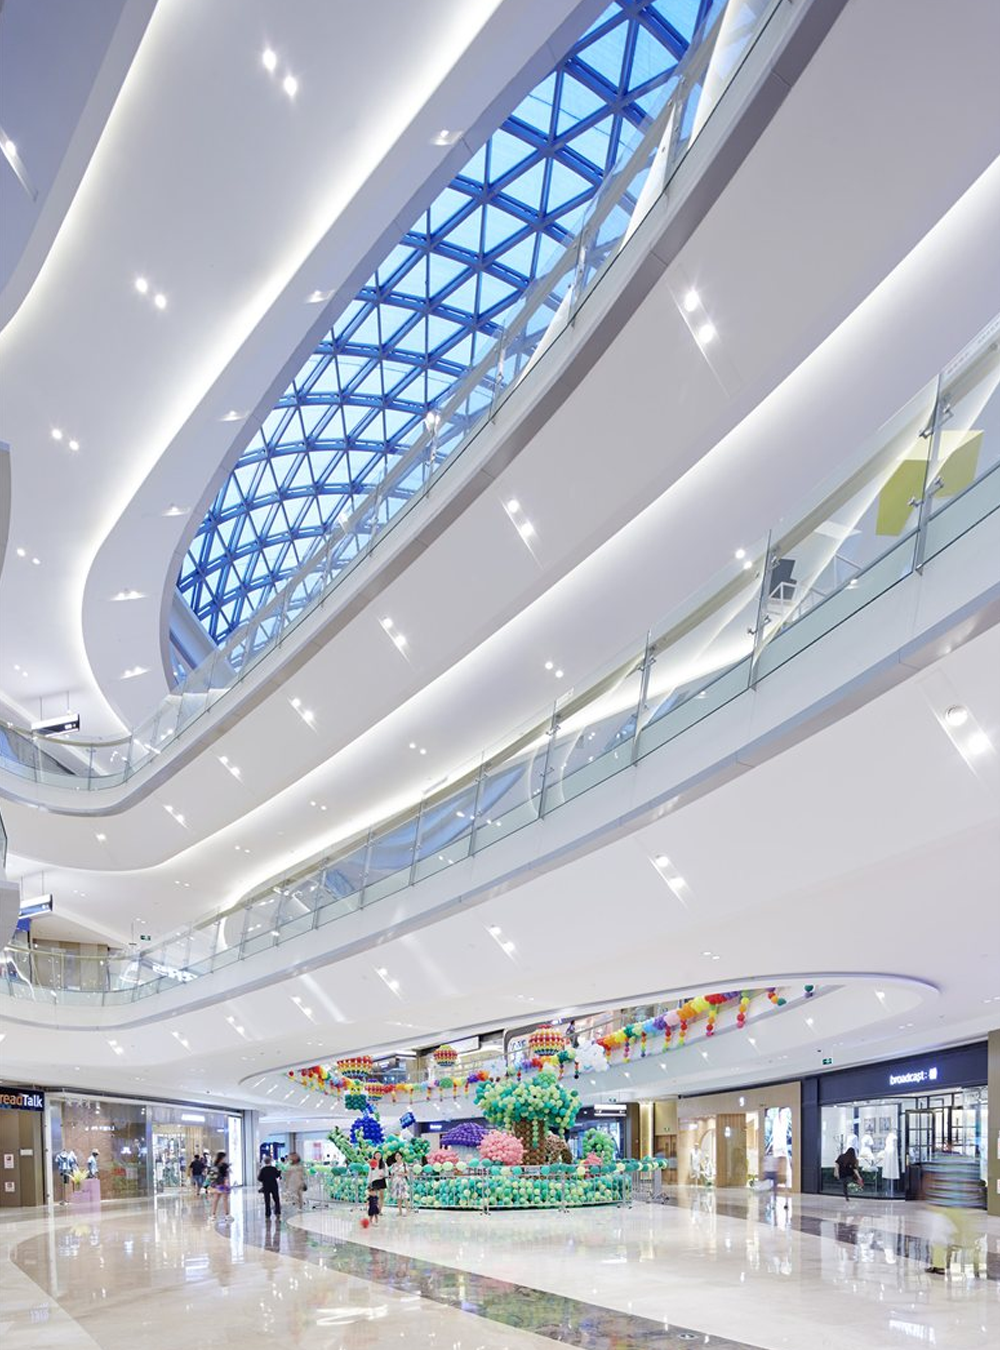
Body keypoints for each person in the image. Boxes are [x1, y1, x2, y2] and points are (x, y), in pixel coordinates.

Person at [258, 1153, 281, 1220]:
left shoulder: (263, 1170)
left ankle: (268, 1213)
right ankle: (277, 1211)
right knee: (276, 1198)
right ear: (270, 1161)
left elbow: (259, 1178)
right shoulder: (274, 1169)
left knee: (267, 1200)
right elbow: (277, 1175)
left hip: (266, 1186)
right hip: (274, 1185)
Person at [210, 1151, 232, 1221]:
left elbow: (227, 1174)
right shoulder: (215, 1166)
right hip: (218, 1184)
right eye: (224, 1157)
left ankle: (225, 1215)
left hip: (223, 1184)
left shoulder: (224, 1165)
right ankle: (214, 1215)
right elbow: (212, 1177)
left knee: (223, 1199)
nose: (225, 1159)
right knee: (217, 1199)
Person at [368, 1150, 387, 1215]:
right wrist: (369, 1182)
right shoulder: (372, 1163)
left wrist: (384, 1175)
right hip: (374, 1180)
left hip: (382, 1180)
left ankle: (380, 1210)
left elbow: (386, 1172)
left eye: (379, 1155)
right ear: (374, 1156)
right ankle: (374, 1210)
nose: (378, 1156)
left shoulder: (383, 1163)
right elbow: (370, 1173)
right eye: (377, 1155)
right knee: (375, 1196)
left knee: (381, 1196)